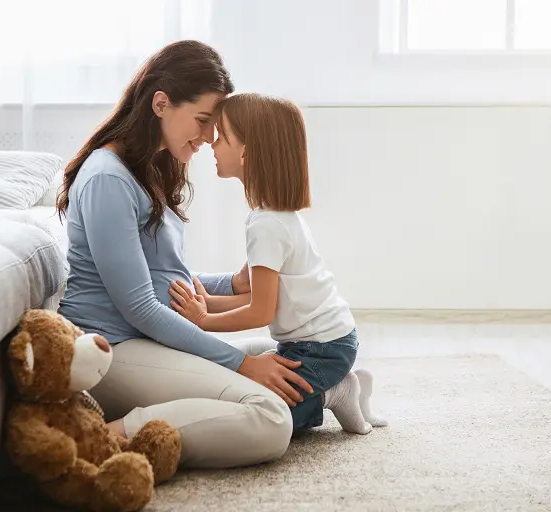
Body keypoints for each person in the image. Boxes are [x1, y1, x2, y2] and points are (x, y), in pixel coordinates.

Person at [55, 40, 314, 469]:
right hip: (112, 348)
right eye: (203, 120)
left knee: (289, 354)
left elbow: (160, 278)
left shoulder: (147, 169)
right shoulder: (107, 179)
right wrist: (242, 364)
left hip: (145, 338)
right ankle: (102, 437)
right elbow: (140, 306)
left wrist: (231, 284)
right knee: (270, 417)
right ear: (161, 103)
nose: (210, 136)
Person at [168, 93, 387, 435]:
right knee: (247, 392)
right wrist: (208, 303)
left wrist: (204, 319)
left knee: (273, 415)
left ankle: (337, 391)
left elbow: (261, 312)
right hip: (325, 341)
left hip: (323, 350)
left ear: (246, 152)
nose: (211, 143)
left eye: (221, 137)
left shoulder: (266, 225)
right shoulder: (273, 216)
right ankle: (347, 383)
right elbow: (268, 297)